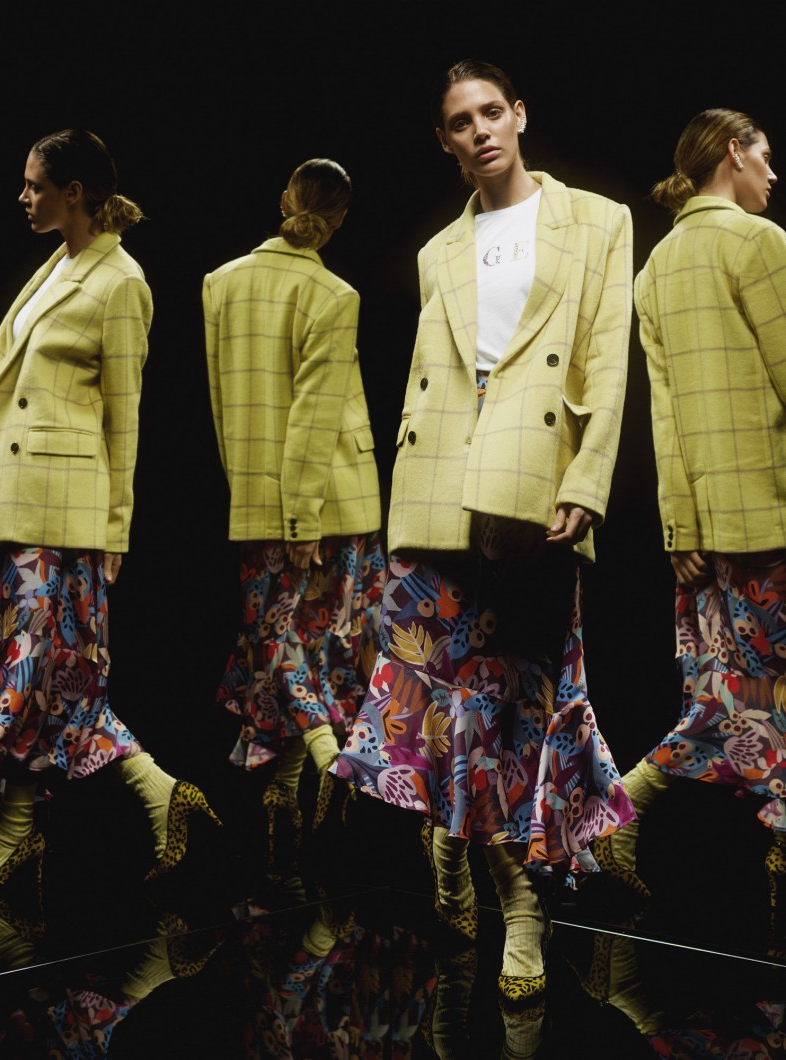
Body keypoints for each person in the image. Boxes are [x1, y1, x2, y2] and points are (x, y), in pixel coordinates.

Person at [329, 59, 635, 1006]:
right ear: (445, 141)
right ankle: (491, 877)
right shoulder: (438, 251)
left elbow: (606, 358)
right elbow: (432, 375)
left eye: (491, 112)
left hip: (529, 477)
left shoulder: (597, 221)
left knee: (518, 701)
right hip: (437, 480)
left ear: (519, 115)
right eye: (461, 122)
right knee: (429, 692)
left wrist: (586, 479)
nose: (480, 132)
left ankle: (519, 903)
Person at [0, 128, 220, 889]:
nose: (23, 197)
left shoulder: (121, 282)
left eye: (35, 185)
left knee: (31, 672)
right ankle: (157, 794)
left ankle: (16, 832)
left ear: (75, 192)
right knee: (57, 678)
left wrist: (116, 527)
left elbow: (127, 416)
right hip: (20, 499)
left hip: (67, 512)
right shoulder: (58, 265)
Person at [593, 108, 786, 946]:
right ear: (732, 153)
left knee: (735, 694)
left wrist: (679, 525)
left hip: (708, 524)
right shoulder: (758, 242)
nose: (771, 174)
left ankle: (622, 809)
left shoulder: (657, 267)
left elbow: (662, 416)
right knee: (751, 695)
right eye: (764, 157)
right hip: (772, 512)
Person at [203, 158, 385, 889]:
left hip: (258, 498)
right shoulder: (334, 294)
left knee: (276, 643)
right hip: (332, 503)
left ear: (284, 201)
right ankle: (328, 761)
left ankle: (283, 793)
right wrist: (301, 518)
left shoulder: (220, 283)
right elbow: (314, 415)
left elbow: (224, 409)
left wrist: (253, 498)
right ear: (339, 221)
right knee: (315, 646)